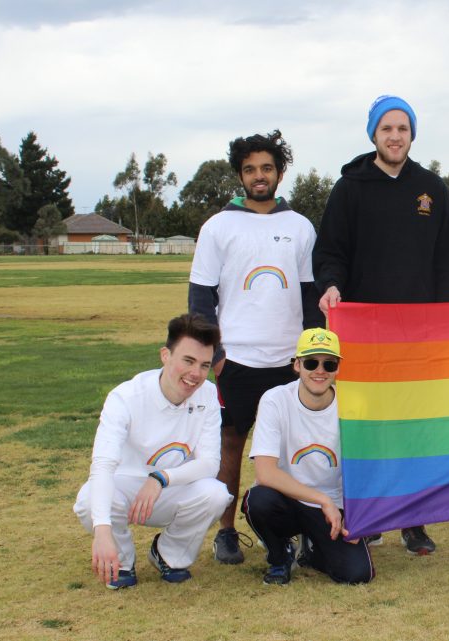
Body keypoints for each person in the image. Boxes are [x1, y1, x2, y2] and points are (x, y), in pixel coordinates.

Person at [313, 95, 449, 555]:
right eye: (386, 129)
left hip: (418, 334)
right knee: (368, 424)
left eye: (402, 128)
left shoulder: (432, 188)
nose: (395, 136)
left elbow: (445, 263)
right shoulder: (350, 188)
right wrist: (332, 284)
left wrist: (445, 320)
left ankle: (414, 519)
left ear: (412, 134)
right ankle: (370, 513)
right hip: (365, 332)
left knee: (415, 424)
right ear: (373, 134)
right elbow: (330, 250)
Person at [189, 130, 322, 565]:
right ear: (240, 176)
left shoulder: (300, 226)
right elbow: (201, 296)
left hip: (289, 360)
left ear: (280, 173)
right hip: (239, 360)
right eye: (250, 169)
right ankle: (226, 532)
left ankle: (295, 531)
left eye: (266, 168)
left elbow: (308, 296)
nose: (259, 176)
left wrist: (308, 354)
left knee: (290, 450)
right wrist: (217, 355)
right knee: (231, 444)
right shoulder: (218, 226)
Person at [73, 314, 232, 588]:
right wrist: (101, 531)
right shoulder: (125, 397)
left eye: (204, 365)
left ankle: (169, 556)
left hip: (168, 488)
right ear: (165, 355)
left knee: (216, 494)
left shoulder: (207, 394)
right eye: (188, 360)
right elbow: (103, 465)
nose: (195, 374)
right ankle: (120, 561)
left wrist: (160, 478)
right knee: (90, 500)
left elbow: (209, 464)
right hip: (124, 489)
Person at [241, 328, 374, 585]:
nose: (320, 370)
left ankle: (313, 551)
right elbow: (265, 472)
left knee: (357, 574)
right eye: (311, 362)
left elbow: (364, 470)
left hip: (334, 508)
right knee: (258, 500)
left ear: (338, 368)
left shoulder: (354, 403)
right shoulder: (275, 400)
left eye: (329, 363)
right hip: (288, 500)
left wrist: (359, 516)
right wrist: (321, 499)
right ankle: (279, 556)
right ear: (297, 365)